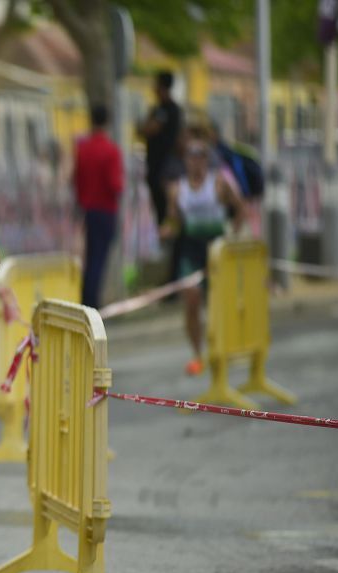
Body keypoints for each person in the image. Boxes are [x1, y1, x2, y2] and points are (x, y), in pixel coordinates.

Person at [161, 126, 244, 376]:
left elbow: (241, 209)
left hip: (217, 249)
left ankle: (223, 350)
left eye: (201, 154)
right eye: (191, 154)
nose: (196, 159)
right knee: (192, 299)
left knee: (219, 303)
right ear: (185, 158)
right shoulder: (178, 190)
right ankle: (198, 355)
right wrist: (167, 229)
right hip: (191, 249)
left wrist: (231, 236)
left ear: (207, 158)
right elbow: (173, 221)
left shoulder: (219, 183)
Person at [73, 103, 124, 308]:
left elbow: (76, 179)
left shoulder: (83, 149)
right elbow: (115, 184)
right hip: (106, 210)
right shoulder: (111, 150)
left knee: (91, 256)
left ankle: (87, 299)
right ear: (107, 122)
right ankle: (92, 304)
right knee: (99, 260)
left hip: (89, 209)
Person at [137, 71, 183, 284]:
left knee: (169, 222)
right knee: (164, 222)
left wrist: (143, 125)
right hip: (159, 174)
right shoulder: (161, 110)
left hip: (165, 175)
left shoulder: (168, 111)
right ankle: (169, 273)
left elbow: (147, 129)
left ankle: (172, 275)